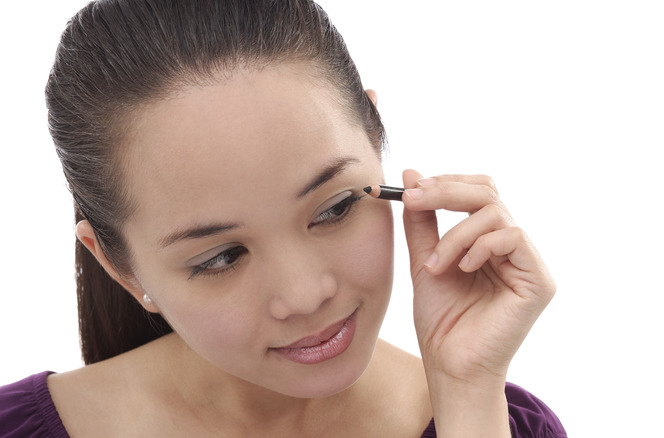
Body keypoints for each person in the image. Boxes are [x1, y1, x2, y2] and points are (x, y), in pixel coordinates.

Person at [0, 0, 566, 436]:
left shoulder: (500, 421)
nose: (303, 295)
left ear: (375, 137)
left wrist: (466, 399)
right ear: (121, 268)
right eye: (221, 257)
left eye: (336, 208)